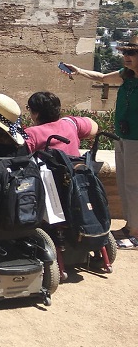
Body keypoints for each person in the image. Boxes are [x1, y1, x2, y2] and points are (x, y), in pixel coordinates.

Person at [64, 35, 138, 240]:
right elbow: (102, 78)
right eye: (125, 52)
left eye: (131, 52)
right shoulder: (126, 75)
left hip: (137, 139)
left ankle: (136, 232)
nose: (126, 56)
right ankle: (130, 225)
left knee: (134, 185)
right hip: (123, 136)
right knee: (125, 184)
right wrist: (79, 71)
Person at [23, 91, 97, 156]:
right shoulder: (70, 123)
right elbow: (94, 127)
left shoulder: (31, 134)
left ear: (36, 113)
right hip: (73, 170)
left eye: (29, 108)